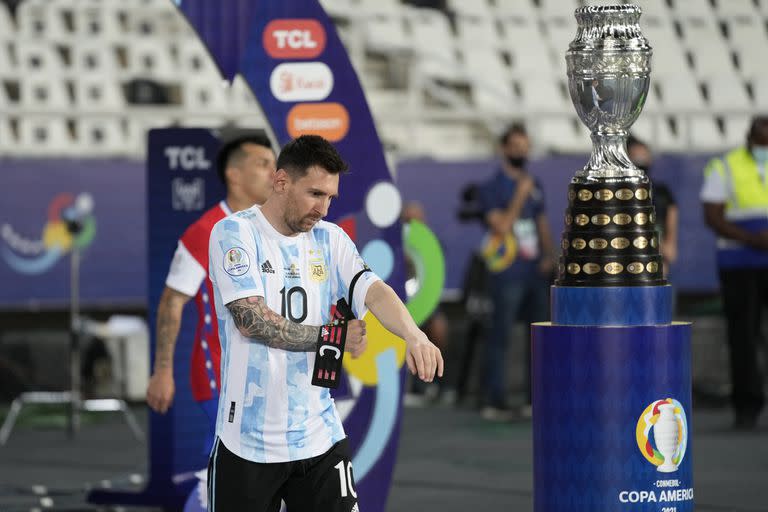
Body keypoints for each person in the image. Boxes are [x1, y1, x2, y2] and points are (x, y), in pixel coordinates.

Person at [207, 135, 443, 511]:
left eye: (330, 197)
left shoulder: (330, 239)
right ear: (281, 182)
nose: (324, 208)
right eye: (315, 194)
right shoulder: (235, 233)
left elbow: (375, 291)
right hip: (247, 441)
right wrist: (333, 337)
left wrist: (414, 336)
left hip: (319, 436)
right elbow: (252, 321)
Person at [145, 131, 277, 453]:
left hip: (268, 376)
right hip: (221, 375)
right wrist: (162, 371)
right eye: (263, 164)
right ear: (234, 174)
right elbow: (172, 301)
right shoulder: (206, 231)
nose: (275, 173)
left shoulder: (276, 229)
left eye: (275, 163)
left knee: (248, 472)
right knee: (238, 468)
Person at [477, 123, 554, 421]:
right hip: (507, 272)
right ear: (504, 149)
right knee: (501, 335)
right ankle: (494, 399)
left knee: (538, 338)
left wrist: (550, 255)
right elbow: (501, 226)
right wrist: (520, 194)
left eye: (525, 147)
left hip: (535, 271)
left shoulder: (536, 186)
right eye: (516, 147)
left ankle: (534, 400)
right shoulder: (492, 188)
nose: (522, 152)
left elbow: (542, 223)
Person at [701, 116, 768, 430]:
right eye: (759, 140)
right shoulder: (725, 165)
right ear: (749, 137)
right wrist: (752, 239)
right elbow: (712, 216)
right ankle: (746, 407)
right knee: (743, 337)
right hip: (739, 263)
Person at [627, 135, 678, 278]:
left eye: (643, 154)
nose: (640, 159)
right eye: (636, 155)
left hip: (658, 254)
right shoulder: (621, 192)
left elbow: (672, 213)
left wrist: (668, 244)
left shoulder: (661, 192)